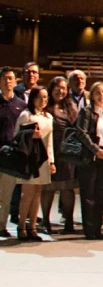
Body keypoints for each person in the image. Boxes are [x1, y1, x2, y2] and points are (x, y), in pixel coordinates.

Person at [75, 82, 103, 240]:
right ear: (92, 95)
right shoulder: (86, 112)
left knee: (101, 194)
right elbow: (81, 133)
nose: (102, 96)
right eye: (98, 93)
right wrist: (95, 150)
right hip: (90, 157)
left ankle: (98, 228)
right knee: (88, 194)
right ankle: (89, 229)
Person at [15, 87, 55, 241]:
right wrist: (31, 135)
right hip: (29, 159)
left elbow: (49, 142)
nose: (43, 100)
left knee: (37, 193)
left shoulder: (48, 117)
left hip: (42, 159)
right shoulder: (26, 116)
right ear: (33, 98)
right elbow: (16, 137)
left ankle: (32, 226)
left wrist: (51, 161)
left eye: (46, 97)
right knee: (27, 194)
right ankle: (21, 226)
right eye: (40, 97)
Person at [40, 76, 77, 235]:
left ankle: (68, 221)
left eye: (64, 88)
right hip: (49, 152)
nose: (61, 91)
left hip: (67, 154)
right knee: (48, 189)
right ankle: (46, 221)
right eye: (58, 88)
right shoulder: (44, 107)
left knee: (67, 189)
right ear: (51, 89)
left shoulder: (70, 107)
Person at [0, 67, 26, 238]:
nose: (7, 81)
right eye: (4, 78)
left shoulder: (21, 105)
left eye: (10, 78)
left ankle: (1, 225)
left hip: (10, 156)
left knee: (6, 194)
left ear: (15, 81)